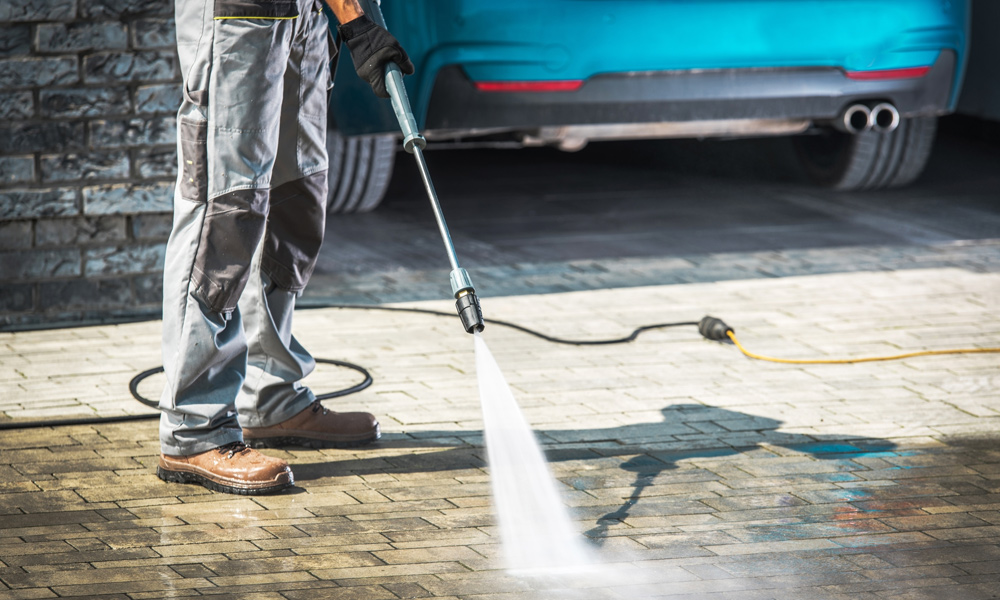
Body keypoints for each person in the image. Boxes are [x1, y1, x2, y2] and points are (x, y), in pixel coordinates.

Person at [156, 0, 413, 495]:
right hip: (239, 15)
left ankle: (270, 396)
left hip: (307, 17)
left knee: (295, 199)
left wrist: (355, 18)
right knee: (226, 207)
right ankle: (195, 425)